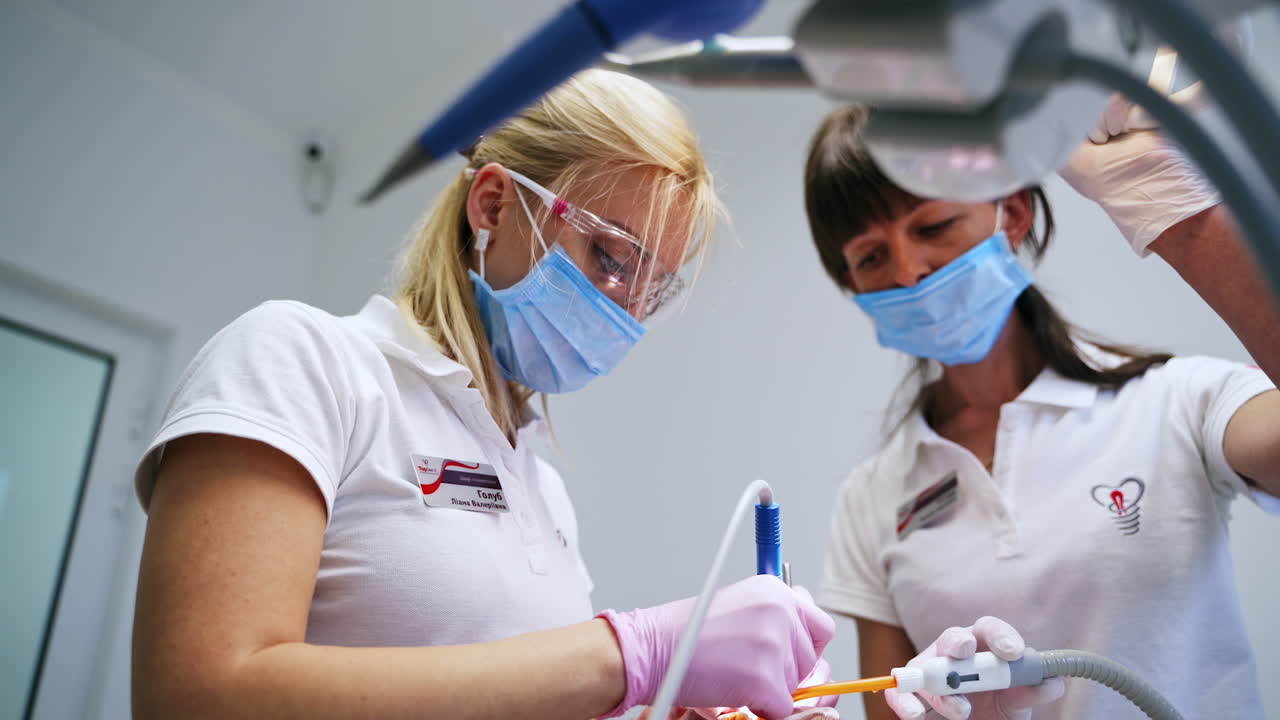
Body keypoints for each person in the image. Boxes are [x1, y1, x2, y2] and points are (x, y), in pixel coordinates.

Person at [131, 68, 846, 720]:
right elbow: (197, 697)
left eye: (649, 289)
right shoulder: (303, 361)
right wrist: (634, 656)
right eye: (609, 258)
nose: (623, 312)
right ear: (495, 204)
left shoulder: (541, 484)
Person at [804, 101, 1280, 720]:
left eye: (933, 225)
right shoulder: (872, 497)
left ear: (1014, 214)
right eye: (871, 257)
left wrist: (1186, 227)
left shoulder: (1178, 403)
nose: (909, 269)